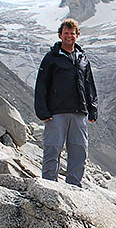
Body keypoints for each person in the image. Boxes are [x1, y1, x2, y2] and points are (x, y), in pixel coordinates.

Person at [34, 18, 98, 187]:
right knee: (53, 148)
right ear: (60, 35)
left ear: (77, 35)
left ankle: (74, 186)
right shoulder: (51, 58)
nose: (69, 36)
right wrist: (43, 111)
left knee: (79, 150)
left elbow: (89, 85)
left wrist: (92, 109)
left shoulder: (82, 59)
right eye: (66, 33)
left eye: (72, 33)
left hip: (79, 112)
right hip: (57, 112)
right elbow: (41, 85)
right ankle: (49, 185)